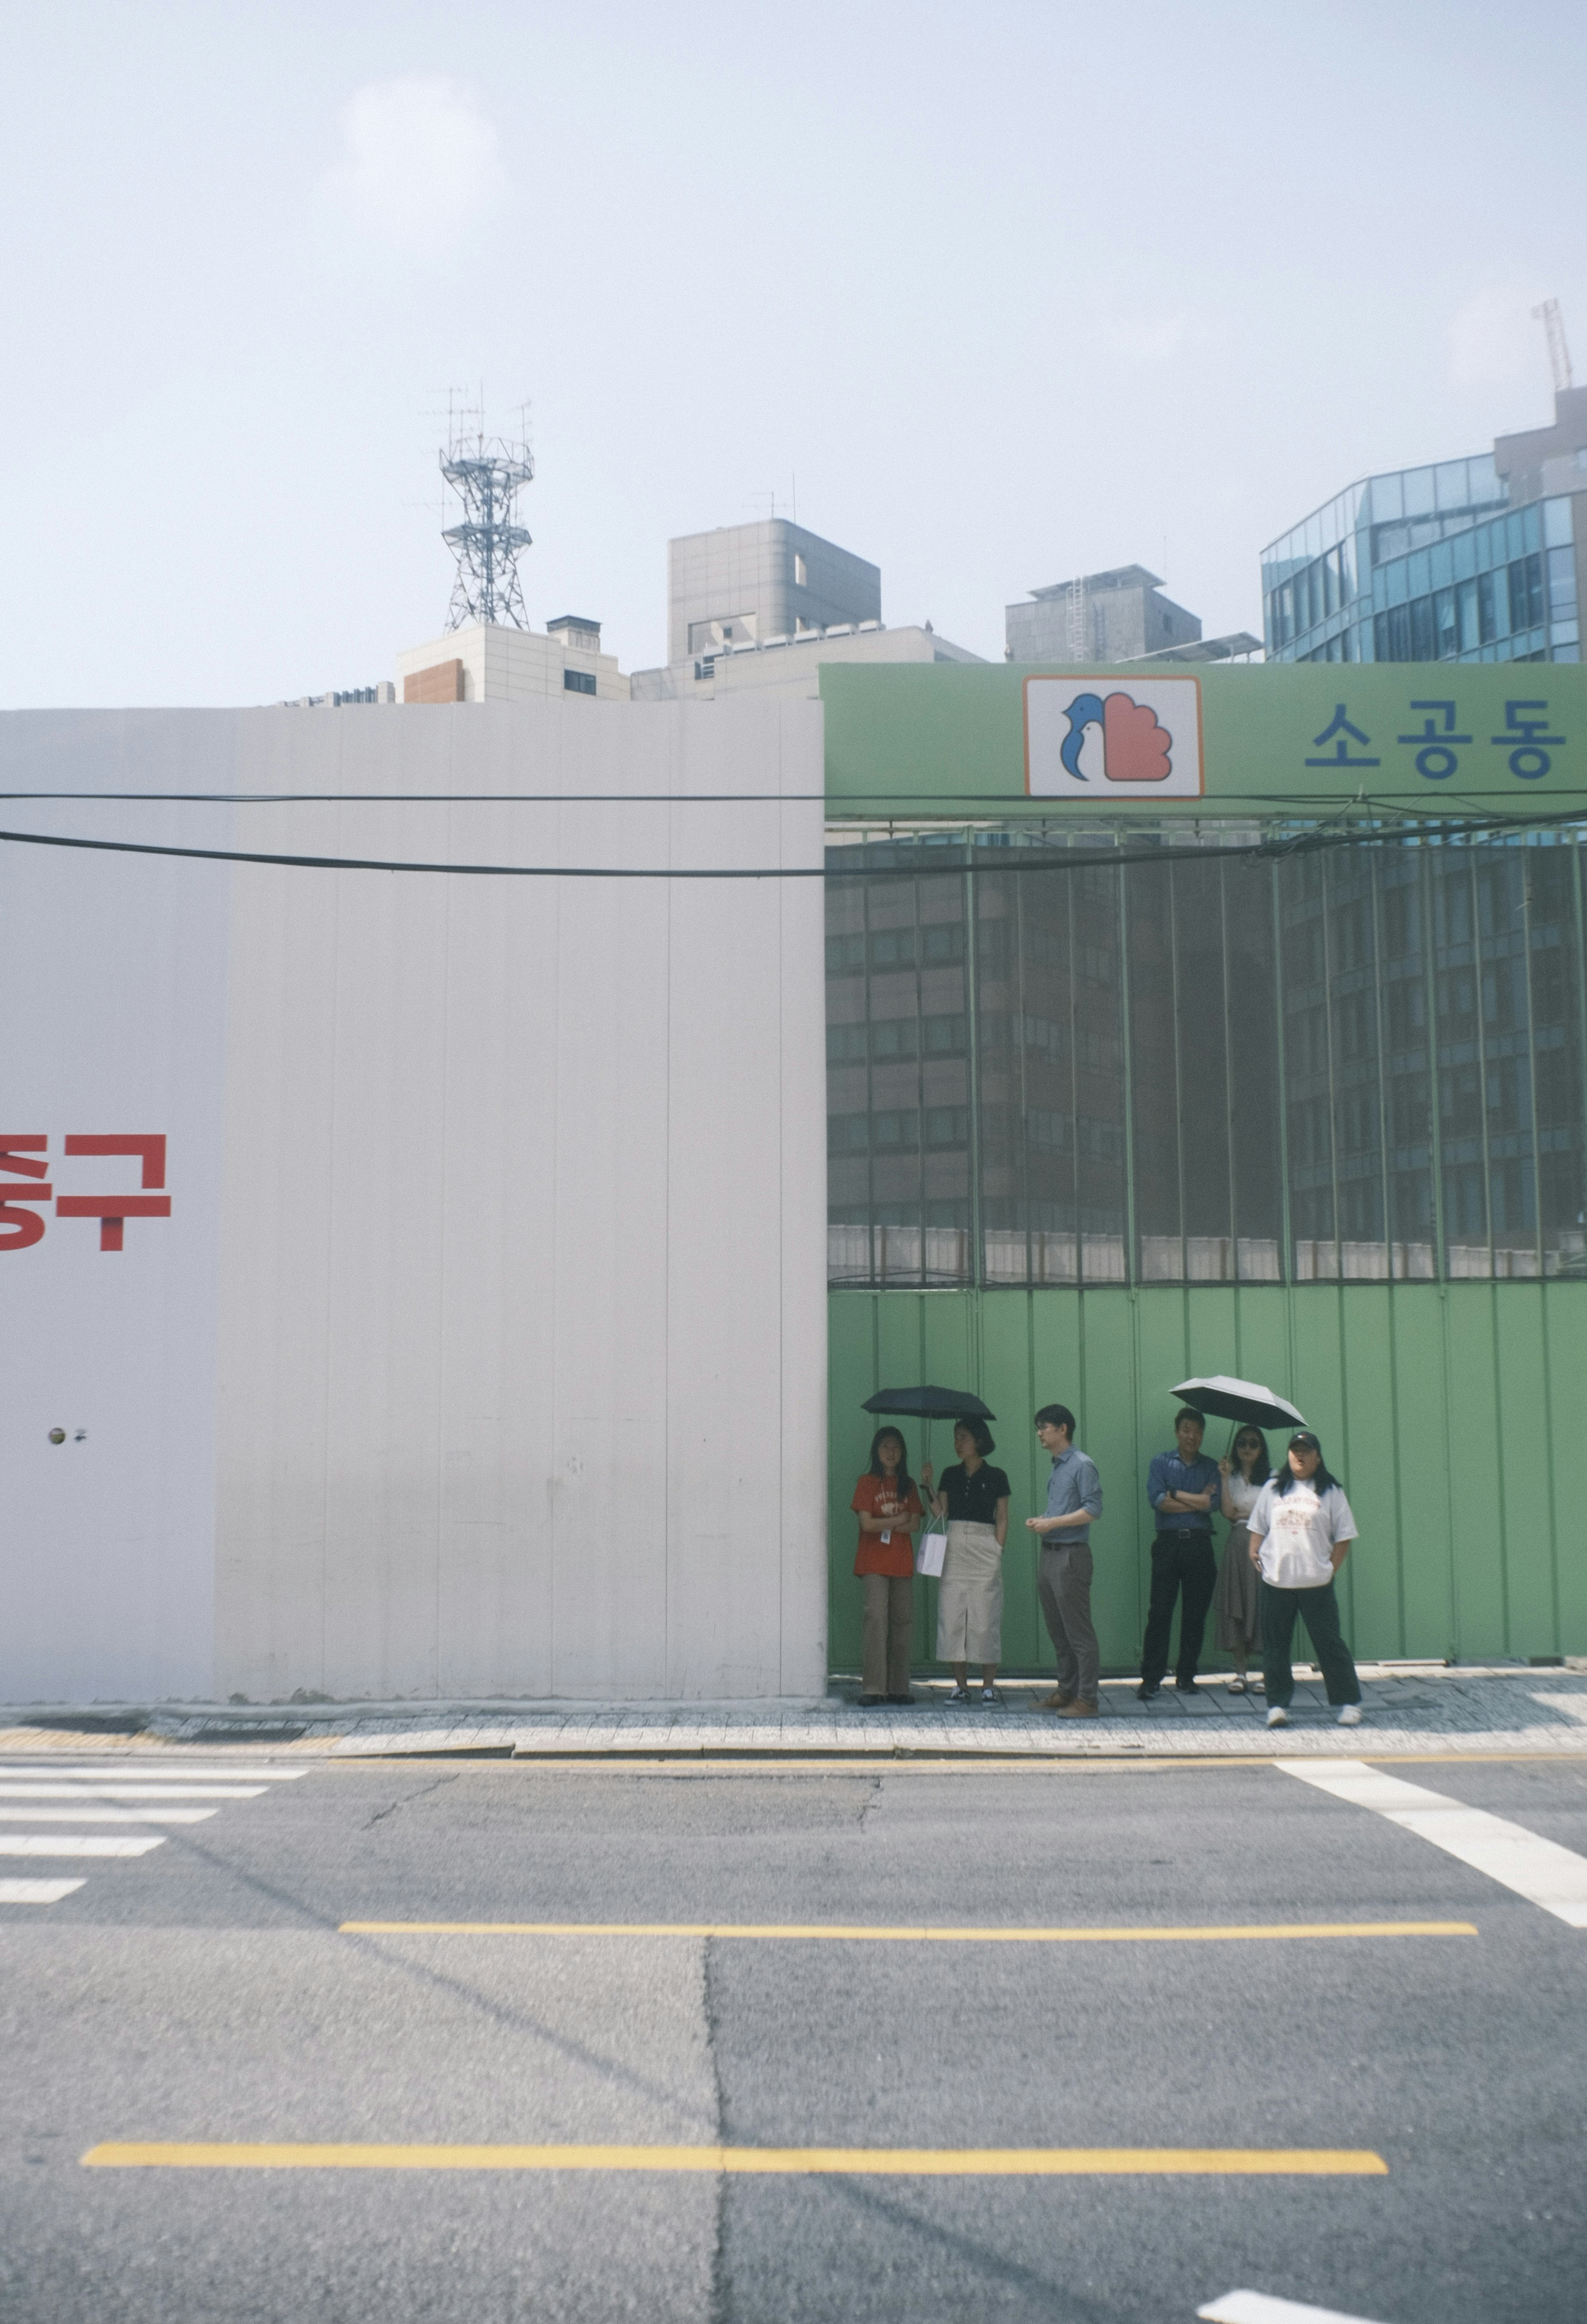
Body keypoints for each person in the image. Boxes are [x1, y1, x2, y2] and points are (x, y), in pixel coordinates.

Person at [1247, 1431, 1363, 1728]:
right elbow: (1259, 1524)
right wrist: (1253, 1548)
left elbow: (1345, 1536)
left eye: (1306, 1451)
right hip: (1277, 1581)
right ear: (1288, 1455)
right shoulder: (1274, 1488)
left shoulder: (1330, 1491)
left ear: (1318, 1457)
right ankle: (1277, 1706)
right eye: (1295, 1450)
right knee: (1276, 1646)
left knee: (1329, 1644)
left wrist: (1329, 1570)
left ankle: (1348, 1703)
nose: (1300, 1456)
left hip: (1316, 1583)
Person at [923, 1419, 1011, 1706]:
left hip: (985, 1544)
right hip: (956, 1542)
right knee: (952, 1615)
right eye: (956, 1437)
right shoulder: (950, 1474)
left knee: (986, 1617)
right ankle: (961, 1686)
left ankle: (988, 1686)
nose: (958, 1443)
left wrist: (998, 1548)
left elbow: (1002, 1516)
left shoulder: (997, 1475)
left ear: (979, 1441)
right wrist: (927, 1485)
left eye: (964, 1437)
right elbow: (940, 1511)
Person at [1025, 1403, 1103, 1719]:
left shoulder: (1082, 1465)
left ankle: (1088, 1699)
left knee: (1079, 1633)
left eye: (1045, 1426)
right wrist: (1045, 1519)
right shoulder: (1058, 1466)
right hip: (1051, 1553)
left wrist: (1052, 1524)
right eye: (1039, 1427)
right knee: (1059, 1631)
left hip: (1071, 1556)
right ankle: (1067, 1690)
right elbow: (1065, 1510)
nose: (1040, 1433)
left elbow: (1093, 1510)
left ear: (1063, 1429)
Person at [1139, 1408, 1222, 1699]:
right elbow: (1158, 1501)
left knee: (1195, 1614)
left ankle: (1186, 1676)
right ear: (1177, 1432)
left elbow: (1213, 1504)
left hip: (1200, 1545)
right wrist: (1195, 1501)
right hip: (1168, 1544)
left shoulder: (1211, 1466)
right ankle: (1151, 1678)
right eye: (1186, 1429)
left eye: (1198, 1431)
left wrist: (1177, 1494)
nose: (1192, 1436)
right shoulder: (1160, 1463)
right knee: (1160, 1611)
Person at [850, 1428, 923, 1707]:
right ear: (876, 1451)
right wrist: (896, 1520)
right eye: (885, 1446)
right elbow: (866, 1524)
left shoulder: (910, 1485)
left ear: (902, 1452)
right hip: (873, 1562)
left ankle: (898, 1687)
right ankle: (873, 1688)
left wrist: (888, 1521)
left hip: (901, 1561)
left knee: (902, 1622)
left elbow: (915, 1523)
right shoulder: (867, 1483)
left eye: (896, 1447)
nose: (891, 1452)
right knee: (876, 1620)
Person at [1214, 1426, 1271, 1693]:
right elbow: (1228, 1512)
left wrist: (1243, 1513)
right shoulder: (1233, 1478)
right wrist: (1224, 1479)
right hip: (1237, 1545)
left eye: (1254, 1444)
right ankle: (1240, 1673)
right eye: (1242, 1443)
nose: (1247, 1448)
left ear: (1262, 1449)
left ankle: (1268, 1673)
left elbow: (1269, 1516)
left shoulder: (1272, 1480)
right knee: (1237, 1604)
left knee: (1264, 1607)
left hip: (1265, 1546)